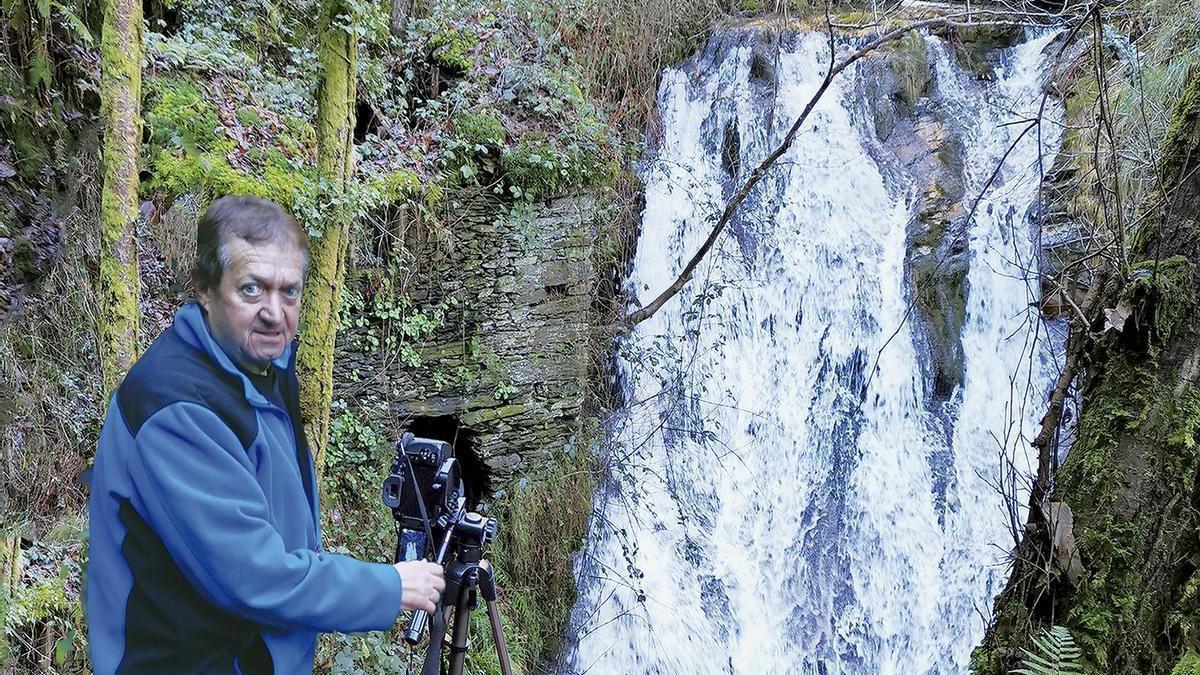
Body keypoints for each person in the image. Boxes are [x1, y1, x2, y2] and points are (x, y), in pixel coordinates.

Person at [86, 195, 445, 674]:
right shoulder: (178, 411)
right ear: (205, 289)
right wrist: (389, 587)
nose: (275, 312)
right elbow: (252, 576)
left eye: (289, 292)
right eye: (252, 289)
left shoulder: (257, 362)